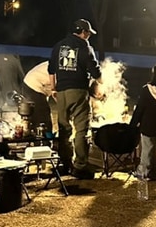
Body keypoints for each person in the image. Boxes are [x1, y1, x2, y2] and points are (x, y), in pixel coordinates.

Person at [48, 18, 103, 180]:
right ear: (83, 32)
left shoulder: (59, 46)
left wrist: (53, 89)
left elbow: (51, 69)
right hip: (78, 91)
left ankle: (65, 164)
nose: (89, 36)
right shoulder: (85, 47)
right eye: (88, 33)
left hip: (61, 92)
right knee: (81, 129)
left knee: (64, 128)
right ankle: (80, 166)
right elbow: (95, 71)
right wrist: (100, 85)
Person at [22, 60, 58, 134]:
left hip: (34, 84)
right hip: (33, 84)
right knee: (43, 116)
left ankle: (35, 135)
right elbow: (57, 93)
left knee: (38, 114)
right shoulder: (64, 69)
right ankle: (44, 140)